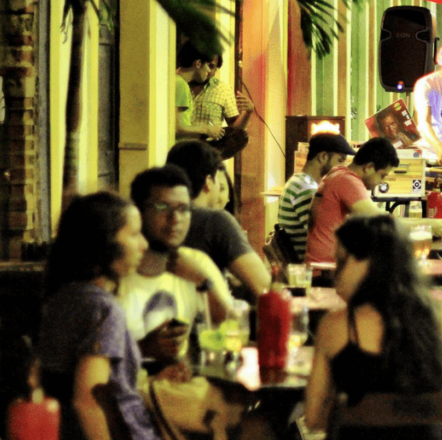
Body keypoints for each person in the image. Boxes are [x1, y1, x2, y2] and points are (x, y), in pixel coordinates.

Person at [303, 216, 442, 440]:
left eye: (341, 261)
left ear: (369, 263)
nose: (334, 273)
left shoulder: (335, 326)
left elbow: (313, 418)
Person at [38, 192, 160, 440]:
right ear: (104, 243)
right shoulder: (103, 309)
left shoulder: (65, 296)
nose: (144, 244)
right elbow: (89, 401)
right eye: (134, 234)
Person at [122, 166, 233, 365]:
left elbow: (231, 326)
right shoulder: (117, 268)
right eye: (162, 207)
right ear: (138, 211)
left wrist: (202, 281)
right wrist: (144, 347)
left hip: (176, 384)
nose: (175, 219)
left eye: (183, 209)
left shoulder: (195, 263)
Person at [167, 139, 271, 297]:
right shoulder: (215, 221)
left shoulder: (156, 217)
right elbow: (263, 285)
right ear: (208, 182)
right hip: (206, 317)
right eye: (219, 183)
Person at [306, 137, 400, 265]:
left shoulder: (338, 172)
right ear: (369, 167)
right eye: (382, 176)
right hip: (326, 269)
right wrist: (429, 226)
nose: (381, 182)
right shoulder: (348, 181)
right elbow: (382, 221)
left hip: (321, 263)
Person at [279, 133, 356, 260]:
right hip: (311, 269)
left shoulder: (301, 182)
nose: (343, 168)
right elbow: (325, 235)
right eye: (340, 160)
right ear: (323, 157)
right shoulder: (305, 188)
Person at [190, 53, 254, 137]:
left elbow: (234, 129)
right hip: (177, 147)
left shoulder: (223, 89)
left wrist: (248, 112)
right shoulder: (177, 85)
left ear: (216, 69)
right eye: (203, 64)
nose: (206, 69)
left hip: (209, 148)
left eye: (211, 66)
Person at [175, 41, 223, 141]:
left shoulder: (174, 80)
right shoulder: (181, 85)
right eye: (207, 65)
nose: (209, 71)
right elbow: (177, 128)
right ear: (198, 63)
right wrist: (206, 129)